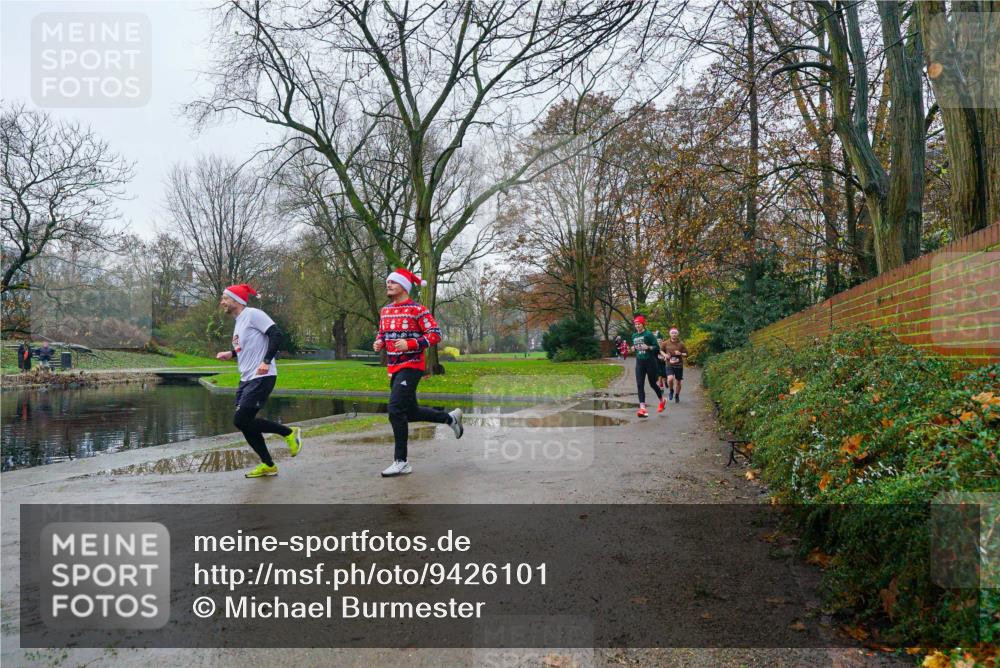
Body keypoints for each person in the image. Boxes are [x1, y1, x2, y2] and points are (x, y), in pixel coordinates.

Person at [373, 267, 464, 477]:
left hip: (412, 365)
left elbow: (435, 334)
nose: (388, 284)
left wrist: (411, 343)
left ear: (404, 286)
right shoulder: (385, 311)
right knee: (410, 412)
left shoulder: (418, 310)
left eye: (393, 282)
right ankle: (450, 419)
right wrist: (379, 343)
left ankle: (401, 462)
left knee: (395, 409)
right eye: (388, 282)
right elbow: (383, 333)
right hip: (394, 367)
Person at [215, 283, 302, 478]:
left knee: (240, 419)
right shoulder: (239, 322)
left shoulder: (253, 314)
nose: (222, 302)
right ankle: (268, 464)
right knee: (244, 423)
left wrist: (266, 361)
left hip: (262, 375)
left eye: (225, 298)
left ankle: (289, 432)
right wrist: (231, 353)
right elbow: (248, 347)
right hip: (246, 379)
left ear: (237, 300)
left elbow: (276, 334)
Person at [629, 315, 664, 417]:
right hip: (640, 363)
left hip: (650, 362)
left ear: (643, 324)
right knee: (640, 384)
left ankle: (662, 400)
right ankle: (642, 408)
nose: (637, 326)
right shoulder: (634, 336)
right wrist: (633, 348)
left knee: (652, 384)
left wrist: (648, 347)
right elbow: (637, 348)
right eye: (636, 324)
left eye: (639, 324)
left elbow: (656, 348)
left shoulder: (648, 334)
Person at [661, 327, 689, 403]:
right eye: (672, 333)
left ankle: (677, 395)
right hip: (669, 364)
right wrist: (665, 355)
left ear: (677, 334)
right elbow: (661, 350)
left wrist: (680, 353)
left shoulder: (681, 344)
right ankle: (671, 390)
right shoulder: (665, 343)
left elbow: (686, 354)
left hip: (678, 365)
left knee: (678, 382)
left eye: (675, 333)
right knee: (670, 379)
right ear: (670, 334)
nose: (674, 334)